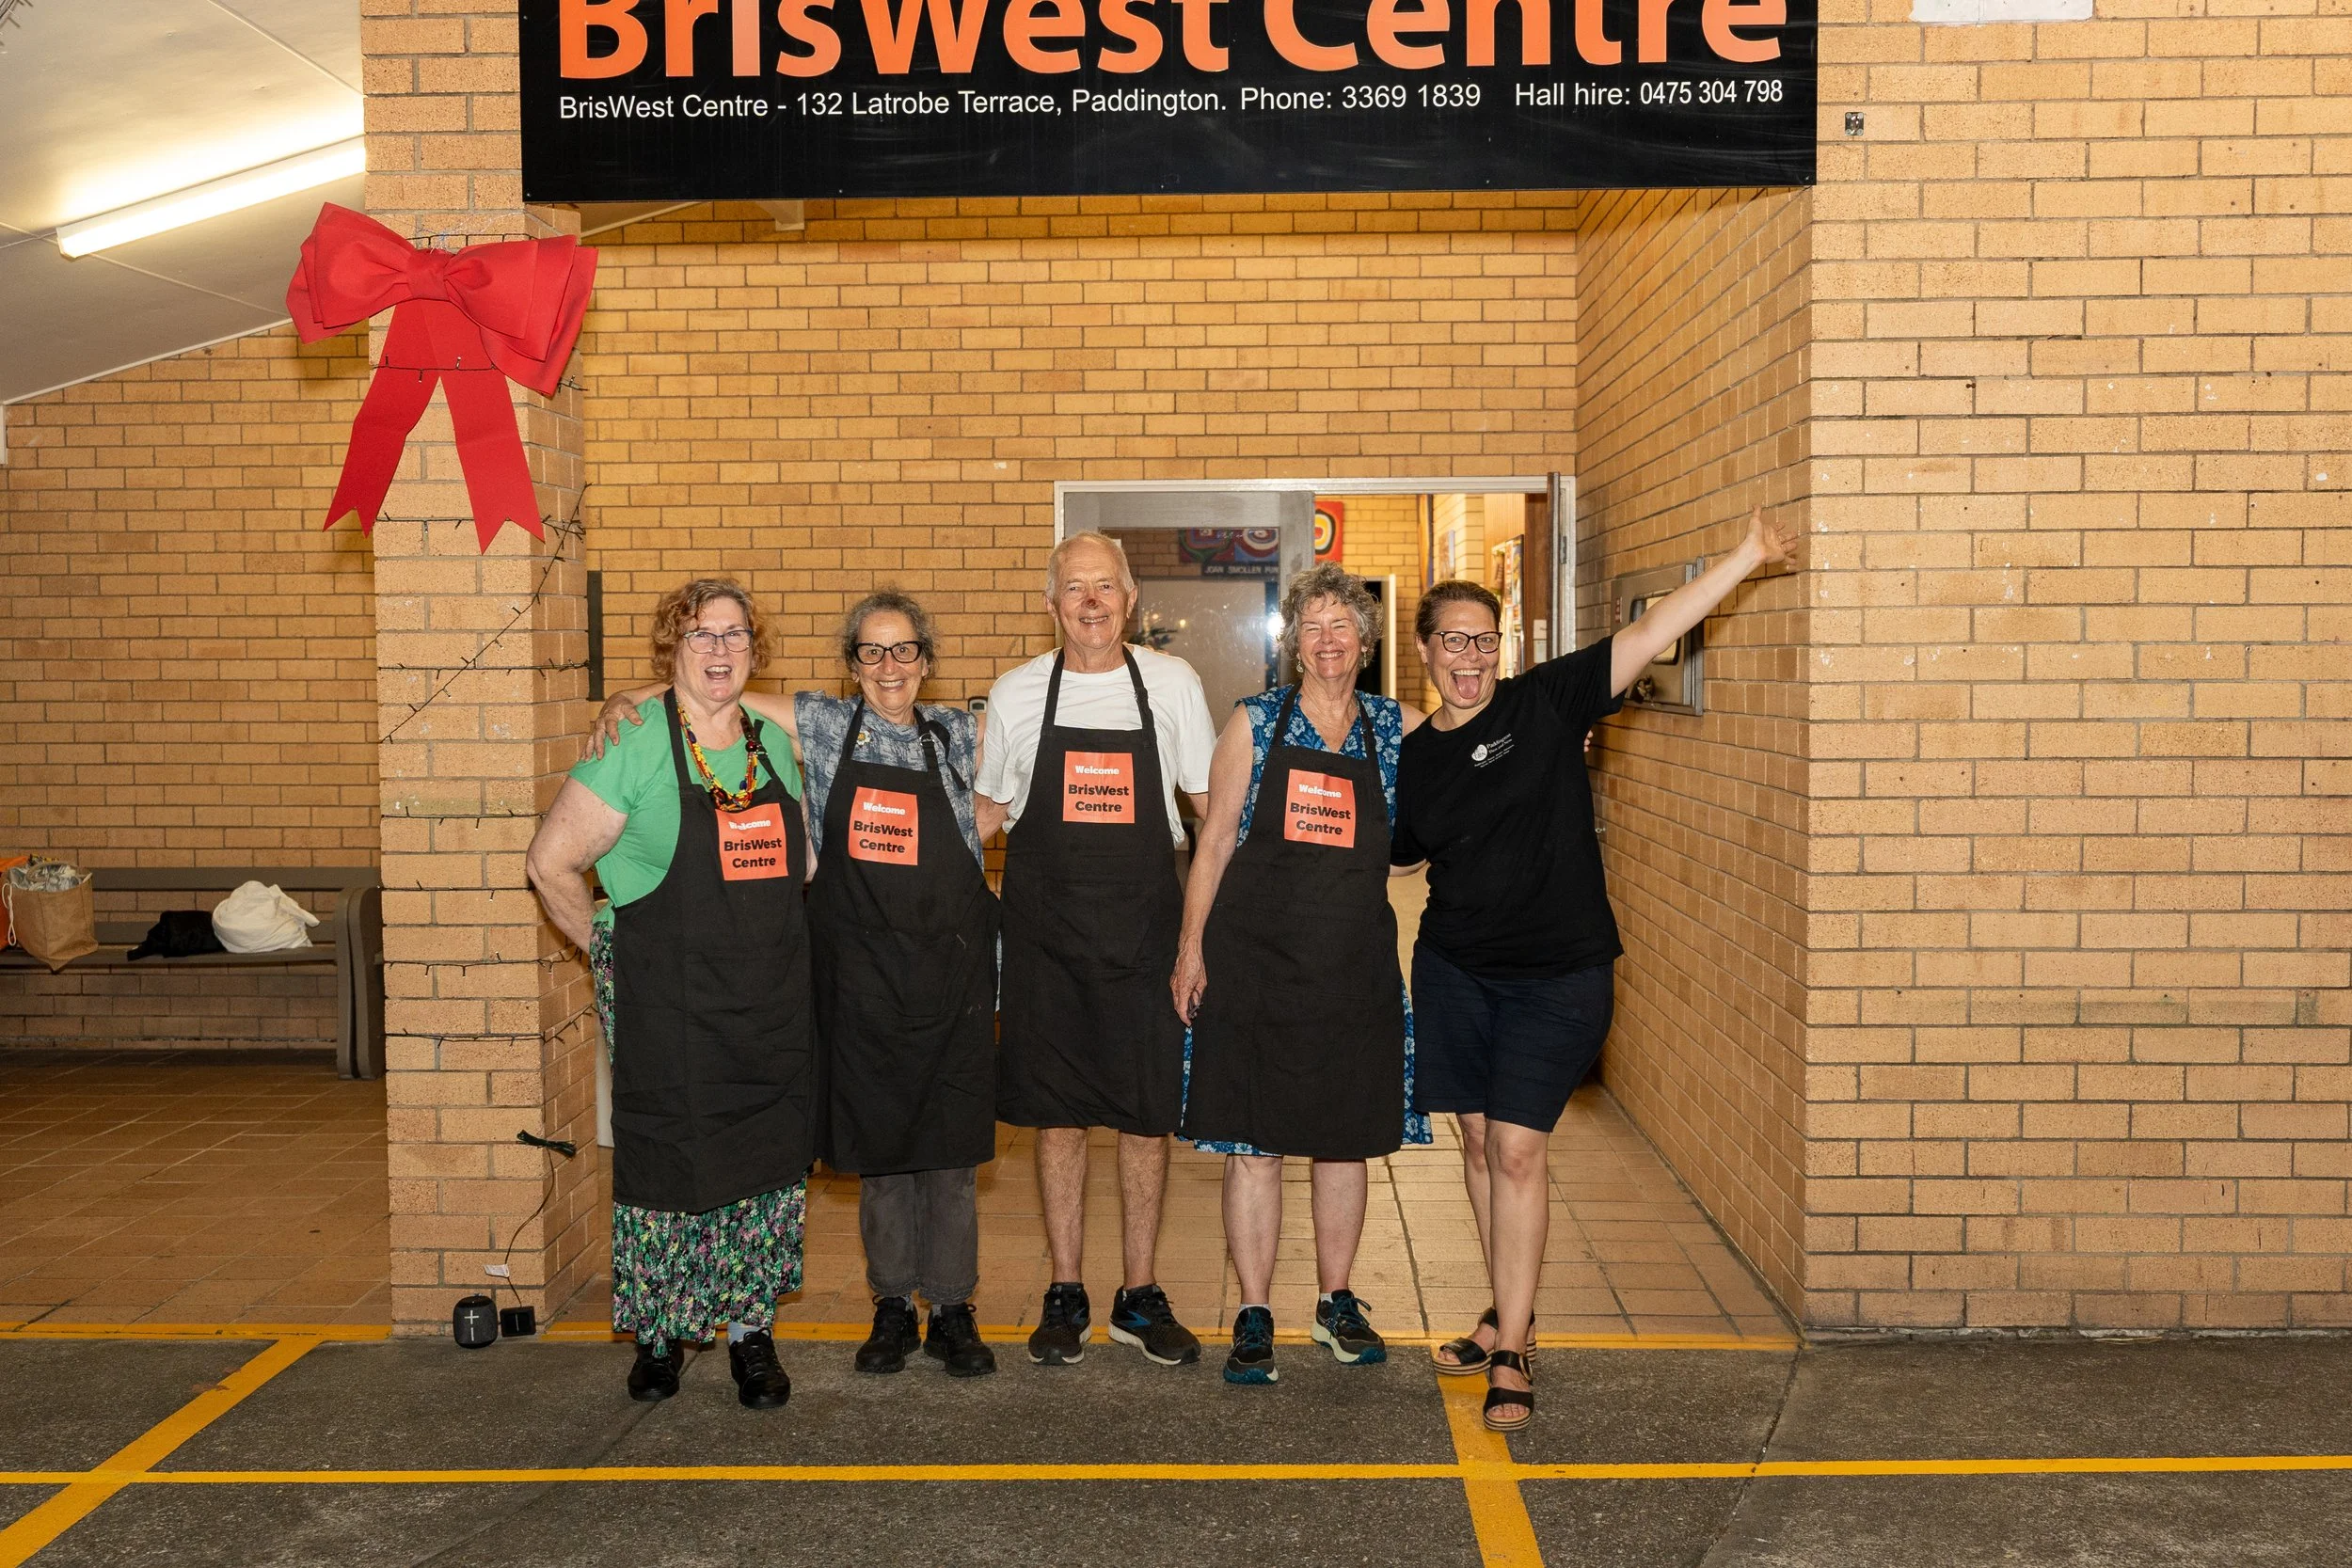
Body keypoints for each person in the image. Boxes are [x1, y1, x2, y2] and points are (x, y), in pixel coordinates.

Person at [1398, 506, 1797, 1433]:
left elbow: (1655, 628)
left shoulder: (1547, 701)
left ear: (1500, 647)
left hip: (1560, 973)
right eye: (1453, 640)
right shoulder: (1414, 759)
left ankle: (1512, 1347)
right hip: (1455, 968)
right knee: (1473, 1142)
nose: (1470, 656)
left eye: (1483, 640)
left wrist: (1742, 555)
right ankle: (1505, 1304)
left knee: (1517, 1146)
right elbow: (1399, 858)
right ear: (1423, 649)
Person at [591, 591, 1002, 1380]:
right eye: (872, 652)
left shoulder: (959, 734)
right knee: (881, 1148)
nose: (890, 667)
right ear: (851, 666)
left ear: (926, 658)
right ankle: (890, 1307)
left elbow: (1004, 800)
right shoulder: (820, 726)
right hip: (863, 977)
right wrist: (628, 696)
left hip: (944, 974)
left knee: (949, 1157)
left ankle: (952, 1307)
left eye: (905, 649)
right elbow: (716, 686)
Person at [525, 578, 816, 1410]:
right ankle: (660, 1332)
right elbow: (550, 863)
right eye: (699, 635)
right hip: (669, 1005)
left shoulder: (775, 742)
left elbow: (801, 867)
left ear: (754, 650)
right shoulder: (634, 738)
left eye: (734, 635)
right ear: (671, 650)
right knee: (666, 1152)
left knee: (761, 1161)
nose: (719, 650)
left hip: (764, 1006)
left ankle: (750, 1333)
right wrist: (609, 950)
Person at [1173, 563, 1432, 1386]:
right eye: (1312, 626)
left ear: (1366, 639)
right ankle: (1254, 1310)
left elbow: (1455, 782)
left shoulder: (1396, 729)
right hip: (1253, 963)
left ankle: (1335, 1300)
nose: (1327, 640)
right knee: (1252, 1144)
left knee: (1343, 1141)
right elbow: (1212, 842)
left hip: (1352, 967)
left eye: (1342, 625)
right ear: (1294, 643)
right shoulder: (1255, 722)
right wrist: (1190, 947)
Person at [980, 531, 1218, 1368]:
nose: (1090, 601)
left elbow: (1208, 814)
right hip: (1046, 941)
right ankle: (1067, 1289)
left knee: (1146, 1117)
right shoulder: (1013, 696)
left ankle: (1140, 1293)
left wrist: (1204, 939)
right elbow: (978, 821)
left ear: (1131, 600)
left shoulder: (1173, 685)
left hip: (1145, 937)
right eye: (1074, 588)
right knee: (1057, 1117)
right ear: (1050, 604)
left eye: (1105, 587)